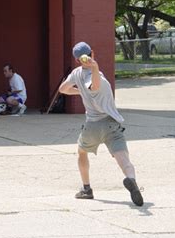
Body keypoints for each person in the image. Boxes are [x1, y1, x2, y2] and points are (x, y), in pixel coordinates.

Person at [58, 42, 143, 206]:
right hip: (112, 124)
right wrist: (94, 69)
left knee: (82, 152)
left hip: (93, 125)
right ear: (92, 53)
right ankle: (131, 179)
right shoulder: (96, 75)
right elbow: (94, 86)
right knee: (123, 159)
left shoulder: (77, 73)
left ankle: (86, 189)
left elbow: (63, 88)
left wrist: (80, 89)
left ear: (77, 60)